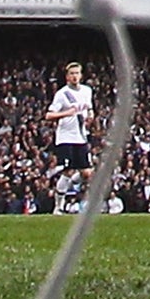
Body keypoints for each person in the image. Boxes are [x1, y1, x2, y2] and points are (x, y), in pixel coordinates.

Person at [44, 60, 94, 213]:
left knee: (87, 173)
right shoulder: (62, 94)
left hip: (81, 136)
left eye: (77, 73)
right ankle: (58, 207)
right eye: (72, 74)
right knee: (68, 170)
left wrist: (90, 117)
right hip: (66, 138)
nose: (75, 76)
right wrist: (66, 113)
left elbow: (90, 109)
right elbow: (48, 115)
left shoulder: (87, 91)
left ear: (81, 75)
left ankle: (70, 183)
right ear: (67, 77)